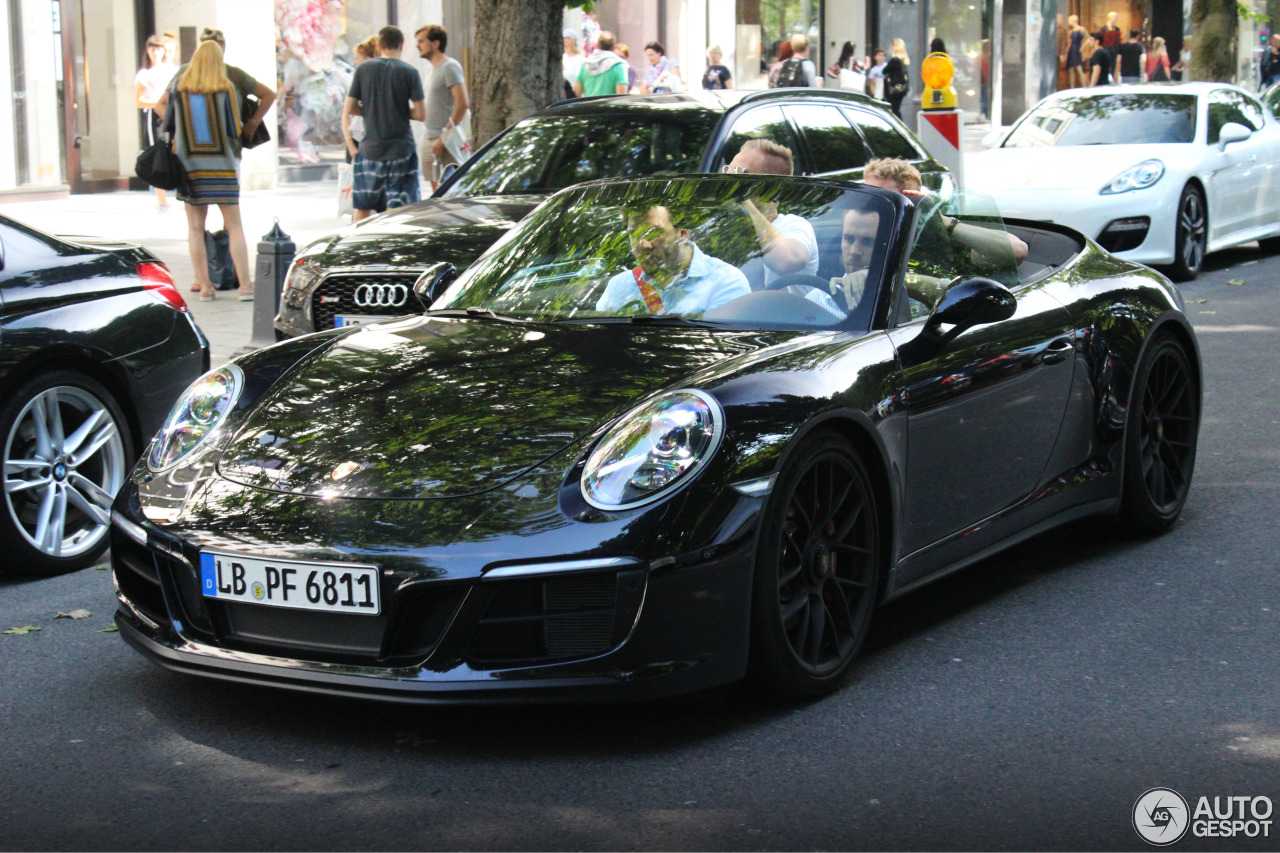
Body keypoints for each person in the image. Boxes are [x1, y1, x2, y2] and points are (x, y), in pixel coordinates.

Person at [169, 42, 254, 303]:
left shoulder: (179, 88)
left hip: (190, 166)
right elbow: (233, 129)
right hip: (223, 167)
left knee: (195, 227)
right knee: (234, 225)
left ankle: (205, 286)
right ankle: (245, 287)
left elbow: (168, 123)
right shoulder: (225, 88)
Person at [722, 140, 844, 319]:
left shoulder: (794, 225)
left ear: (772, 187)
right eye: (727, 172)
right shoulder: (722, 229)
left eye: (740, 174)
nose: (730, 182)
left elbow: (787, 262)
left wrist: (743, 201)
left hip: (788, 327)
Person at [862, 158, 1028, 266]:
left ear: (913, 201)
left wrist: (940, 220)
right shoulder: (852, 233)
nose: (872, 206)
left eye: (884, 200)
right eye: (867, 197)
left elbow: (1017, 250)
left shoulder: (934, 240)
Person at [596, 204, 749, 315]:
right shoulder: (619, 288)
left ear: (683, 233)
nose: (643, 244)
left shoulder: (725, 282)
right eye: (634, 234)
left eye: (654, 232)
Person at [344, 26, 425, 222]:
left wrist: (373, 108)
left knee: (363, 207)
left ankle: (357, 248)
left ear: (379, 46)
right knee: (396, 210)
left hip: (369, 150)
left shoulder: (363, 69)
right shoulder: (410, 72)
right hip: (401, 151)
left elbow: (351, 108)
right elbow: (421, 114)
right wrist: (396, 108)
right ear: (401, 46)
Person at [415, 24, 467, 191]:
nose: (418, 45)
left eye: (422, 41)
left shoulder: (449, 66)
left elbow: (462, 103)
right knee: (436, 192)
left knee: (450, 191)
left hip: (445, 140)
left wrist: (444, 136)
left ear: (435, 44)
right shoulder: (432, 70)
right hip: (429, 136)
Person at [135, 34, 178, 212]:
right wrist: (158, 104)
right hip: (154, 117)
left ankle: (181, 196)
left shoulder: (173, 70)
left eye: (160, 49)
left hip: (172, 114)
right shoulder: (145, 74)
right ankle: (161, 201)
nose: (157, 53)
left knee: (177, 151)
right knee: (158, 153)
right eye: (153, 49)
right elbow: (139, 101)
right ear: (148, 51)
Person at [830, 207, 879, 311]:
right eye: (849, 239)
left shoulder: (896, 299)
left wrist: (874, 278)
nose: (854, 251)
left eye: (867, 241)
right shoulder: (815, 299)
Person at [342, 36, 379, 164]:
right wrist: (351, 144)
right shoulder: (357, 82)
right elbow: (346, 114)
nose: (355, 63)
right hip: (357, 139)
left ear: (368, 60)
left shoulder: (381, 82)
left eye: (357, 58)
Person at [576, 30, 628, 96]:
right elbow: (621, 95)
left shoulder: (585, 64)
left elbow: (577, 92)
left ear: (597, 45)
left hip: (589, 106)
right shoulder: (619, 65)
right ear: (614, 47)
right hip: (609, 106)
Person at [1065, 15, 1087, 88]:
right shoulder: (1071, 31)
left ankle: (1084, 87)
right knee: (1071, 69)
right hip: (1071, 49)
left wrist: (1082, 48)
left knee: (1078, 68)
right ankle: (1072, 88)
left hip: (1077, 49)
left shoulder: (1081, 29)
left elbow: (1089, 39)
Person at [562, 29, 584, 99]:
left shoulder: (580, 59)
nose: (565, 40)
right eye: (563, 38)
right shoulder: (561, 57)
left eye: (568, 38)